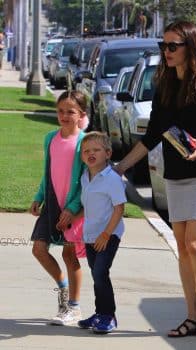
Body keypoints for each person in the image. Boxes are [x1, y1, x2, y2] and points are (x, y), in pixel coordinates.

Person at [115, 21, 196, 338]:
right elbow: (153, 134)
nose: (166, 52)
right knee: (183, 249)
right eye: (163, 46)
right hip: (177, 173)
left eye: (172, 46)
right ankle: (192, 316)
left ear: (190, 47)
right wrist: (121, 167)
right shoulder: (166, 86)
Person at [30, 90, 88, 326]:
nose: (64, 116)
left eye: (70, 112)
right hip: (52, 203)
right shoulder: (50, 138)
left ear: (81, 114)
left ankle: (74, 308)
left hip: (73, 208)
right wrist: (39, 196)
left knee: (69, 255)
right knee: (39, 248)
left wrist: (74, 208)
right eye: (61, 111)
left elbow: (87, 180)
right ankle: (63, 289)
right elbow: (47, 172)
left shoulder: (85, 141)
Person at [77, 131, 127, 334]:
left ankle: (109, 316)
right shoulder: (85, 177)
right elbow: (88, 206)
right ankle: (99, 313)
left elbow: (119, 208)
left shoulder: (111, 179)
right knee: (96, 274)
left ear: (107, 153)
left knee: (100, 273)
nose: (91, 153)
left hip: (109, 235)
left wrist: (106, 234)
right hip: (91, 235)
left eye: (96, 150)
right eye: (86, 151)